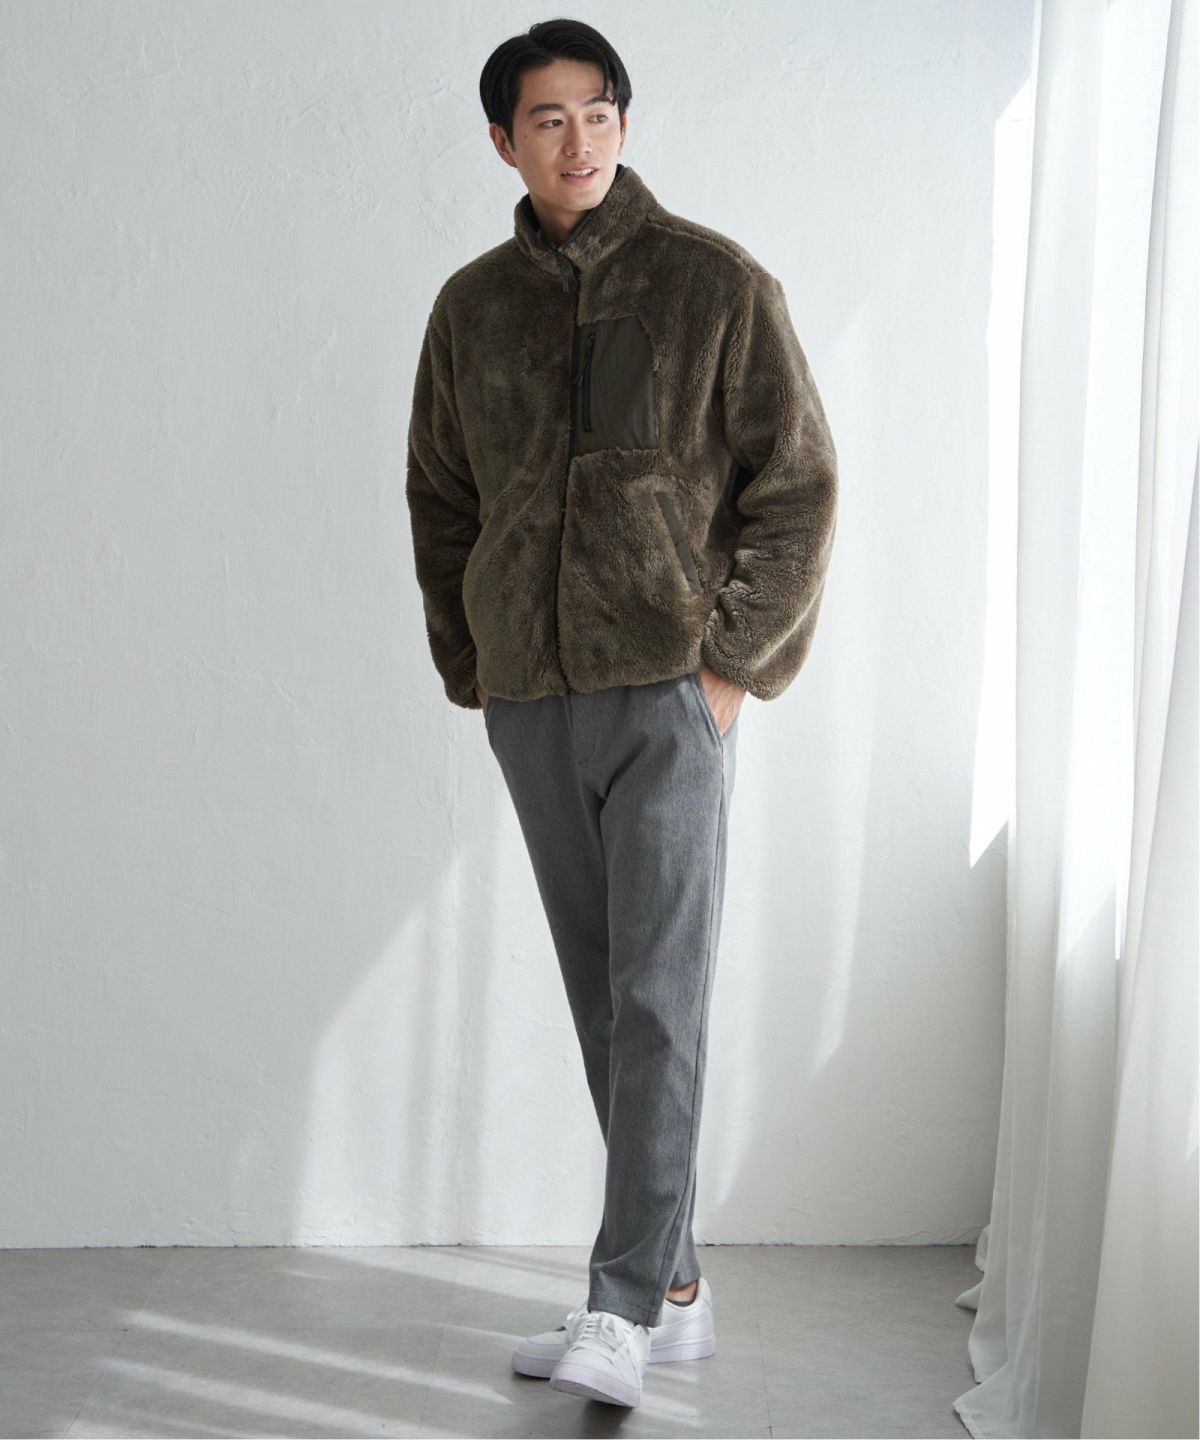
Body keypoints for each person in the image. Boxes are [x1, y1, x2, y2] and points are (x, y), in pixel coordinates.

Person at [405, 17, 838, 1411]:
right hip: (532, 698)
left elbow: (798, 487)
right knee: (607, 998)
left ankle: (622, 1304)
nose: (577, 139)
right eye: (547, 118)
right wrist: (473, 662)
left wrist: (730, 666)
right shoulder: (471, 310)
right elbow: (441, 496)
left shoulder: (715, 283)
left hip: (668, 692)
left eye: (598, 111)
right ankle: (679, 1291)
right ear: (503, 140)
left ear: (625, 122)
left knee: (660, 995)